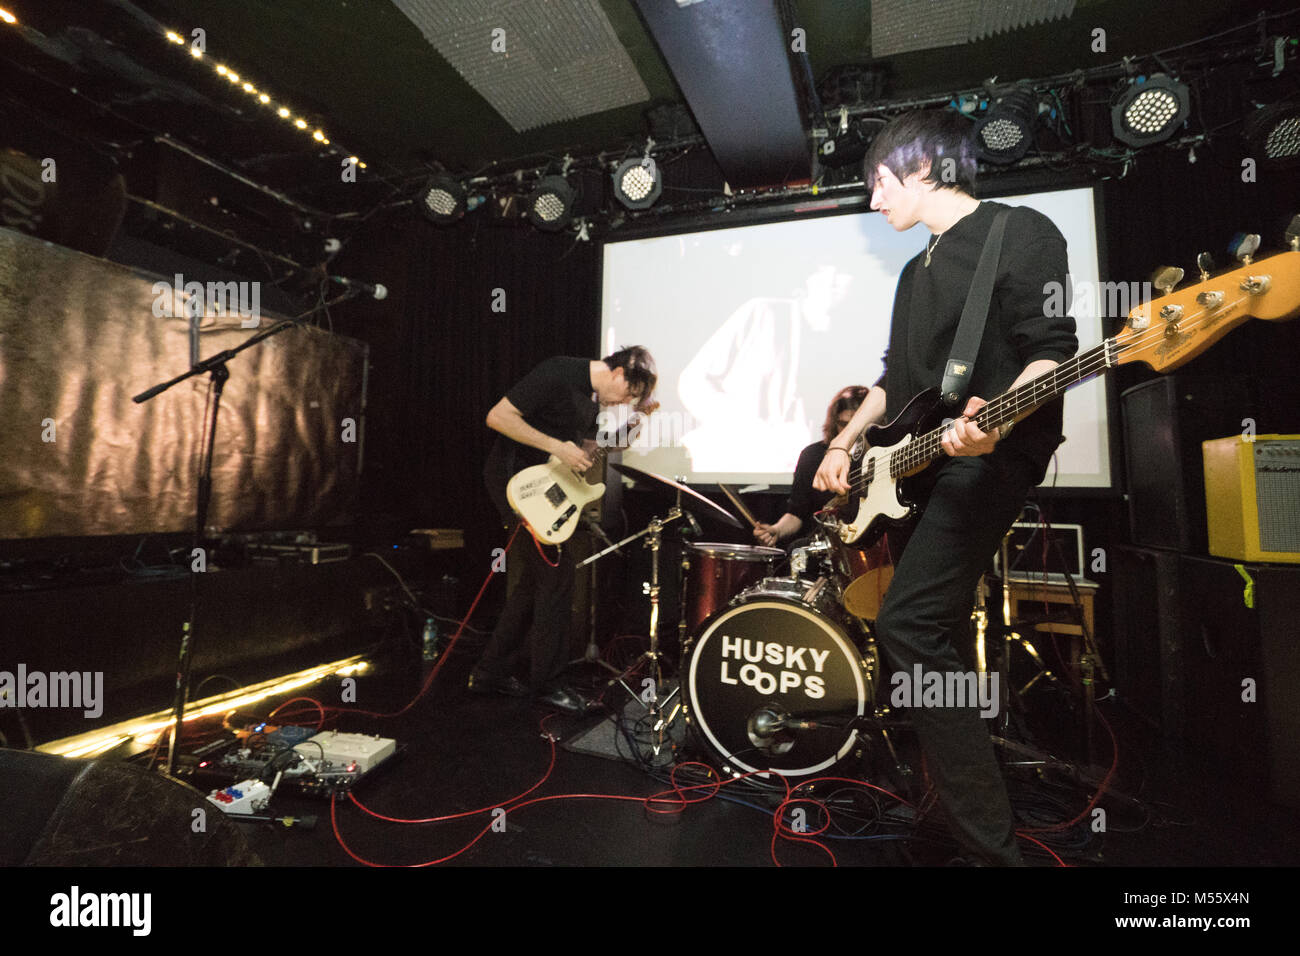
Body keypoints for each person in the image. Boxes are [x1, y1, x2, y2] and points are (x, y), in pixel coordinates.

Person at [814, 110, 1077, 865]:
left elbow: (1053, 353)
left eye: (879, 183)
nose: (873, 201)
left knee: (908, 625)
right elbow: (896, 380)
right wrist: (843, 441)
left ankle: (992, 849)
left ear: (925, 165)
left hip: (989, 458)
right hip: (923, 464)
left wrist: (997, 419)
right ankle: (953, 811)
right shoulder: (912, 269)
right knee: (939, 640)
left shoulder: (1020, 231)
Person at [474, 346, 658, 716]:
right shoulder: (558, 372)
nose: (625, 400)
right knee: (557, 577)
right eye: (629, 394)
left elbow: (592, 448)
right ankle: (547, 684)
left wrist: (631, 424)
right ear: (619, 373)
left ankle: (489, 672)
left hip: (542, 487)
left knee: (534, 583)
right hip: (516, 483)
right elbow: (498, 416)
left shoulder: (592, 398)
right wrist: (558, 446)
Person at [753, 385, 872, 548]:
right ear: (834, 423)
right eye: (844, 424)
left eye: (857, 425)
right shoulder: (813, 456)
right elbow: (796, 514)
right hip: (828, 548)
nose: (851, 431)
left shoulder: (881, 454)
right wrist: (776, 530)